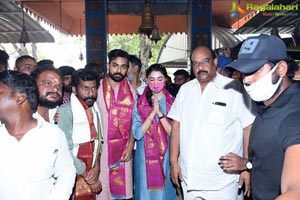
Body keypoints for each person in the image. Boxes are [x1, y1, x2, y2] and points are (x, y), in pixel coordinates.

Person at [168, 45, 256, 200]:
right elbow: (176, 127)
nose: (200, 67)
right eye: (195, 63)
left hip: (222, 182)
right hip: (189, 178)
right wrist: (173, 162)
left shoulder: (234, 89)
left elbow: (248, 126)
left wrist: (246, 165)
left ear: (215, 61)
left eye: (205, 61)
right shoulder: (185, 90)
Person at [223, 34, 300, 200]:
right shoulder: (267, 104)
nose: (247, 80)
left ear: (281, 69)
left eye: (254, 71)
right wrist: (248, 164)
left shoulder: (294, 116)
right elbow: (269, 156)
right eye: (243, 73)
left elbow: (295, 189)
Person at [0, 70, 75, 200]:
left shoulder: (53, 135)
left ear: (20, 98)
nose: (55, 89)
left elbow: (66, 171)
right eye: (48, 83)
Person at [132, 64, 176, 200]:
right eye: (152, 79)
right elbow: (137, 134)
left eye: (159, 79)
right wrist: (152, 113)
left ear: (166, 80)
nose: (156, 83)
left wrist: (160, 114)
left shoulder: (173, 103)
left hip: (166, 156)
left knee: (164, 191)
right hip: (143, 156)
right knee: (144, 192)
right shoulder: (139, 103)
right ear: (146, 80)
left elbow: (174, 134)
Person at [96, 49, 136, 199]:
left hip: (124, 151)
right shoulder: (97, 88)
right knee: (102, 191)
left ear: (127, 68)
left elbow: (134, 121)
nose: (119, 70)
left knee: (122, 193)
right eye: (115, 65)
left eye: (123, 66)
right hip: (102, 151)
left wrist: (131, 145)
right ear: (108, 66)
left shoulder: (132, 92)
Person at [58, 69, 103, 199]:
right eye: (85, 88)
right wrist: (88, 176)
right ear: (74, 89)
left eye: (94, 88)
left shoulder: (94, 109)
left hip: (91, 169)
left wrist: (97, 167)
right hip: (74, 172)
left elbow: (98, 141)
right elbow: (65, 150)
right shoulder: (65, 112)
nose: (90, 93)